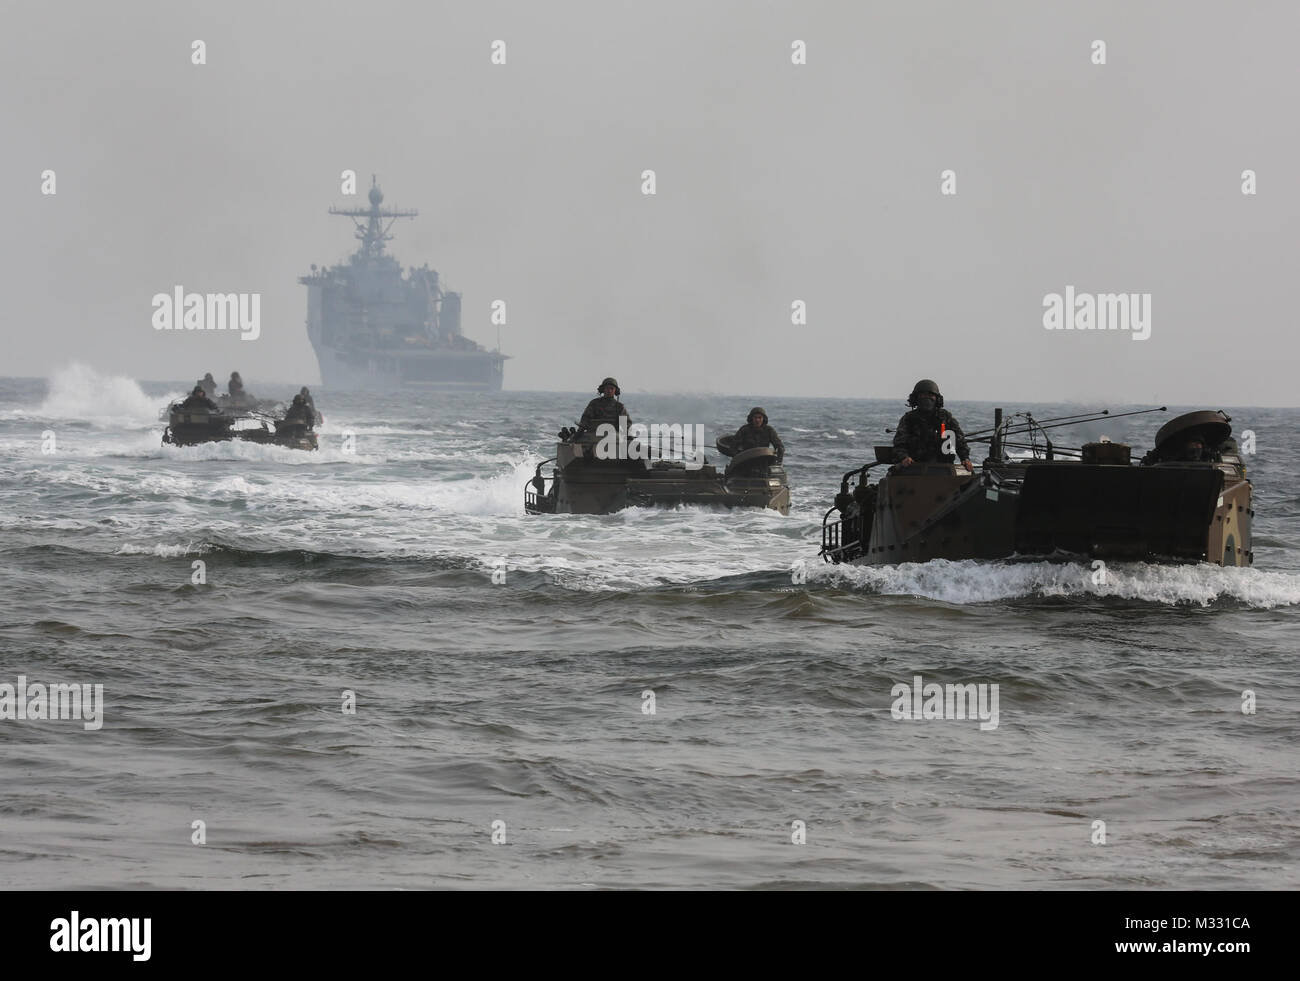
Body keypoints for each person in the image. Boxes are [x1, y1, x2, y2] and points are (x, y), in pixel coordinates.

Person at [892, 378, 973, 472]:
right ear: (916, 398)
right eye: (923, 395)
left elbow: (960, 440)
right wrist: (904, 458)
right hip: (915, 467)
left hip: (944, 468)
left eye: (930, 395)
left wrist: (965, 458)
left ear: (937, 398)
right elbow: (899, 444)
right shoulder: (909, 419)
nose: (927, 398)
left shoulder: (946, 418)